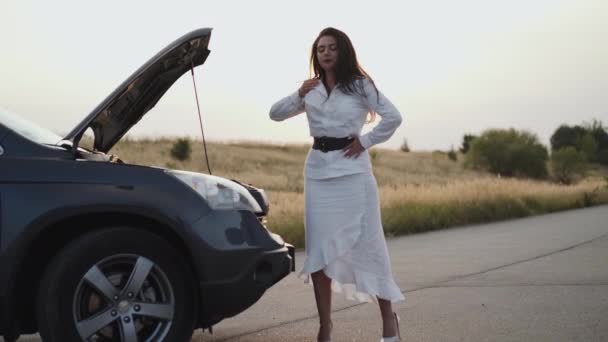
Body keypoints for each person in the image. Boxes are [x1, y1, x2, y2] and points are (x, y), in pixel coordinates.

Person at [269, 27, 404, 342]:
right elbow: (275, 114)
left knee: (369, 246)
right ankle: (325, 327)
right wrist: (299, 93)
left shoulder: (360, 85)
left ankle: (389, 321)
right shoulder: (311, 90)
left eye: (331, 48)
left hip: (354, 174)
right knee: (319, 252)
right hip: (318, 173)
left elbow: (393, 117)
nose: (326, 53)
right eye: (320, 49)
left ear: (343, 51)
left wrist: (365, 141)